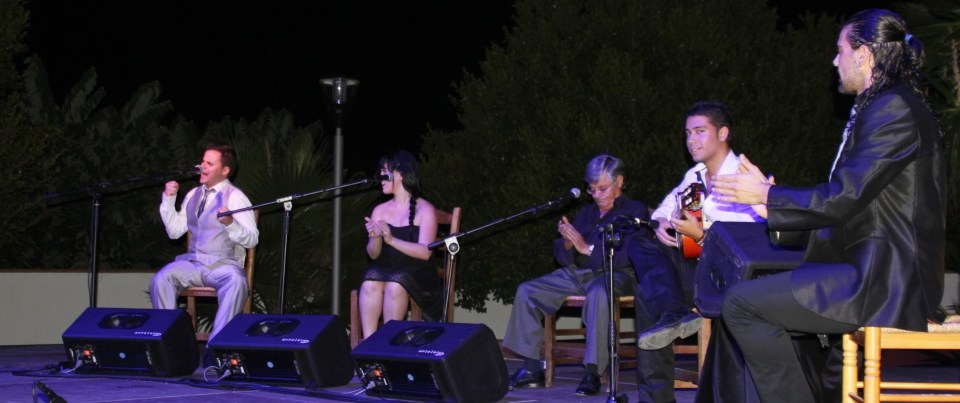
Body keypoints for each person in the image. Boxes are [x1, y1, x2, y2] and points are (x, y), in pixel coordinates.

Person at [712, 9, 945, 402]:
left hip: (882, 278)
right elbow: (854, 202)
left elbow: (844, 196)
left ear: (865, 54)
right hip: (870, 268)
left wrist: (769, 196)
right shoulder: (888, 104)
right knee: (830, 379)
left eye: (840, 51)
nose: (834, 61)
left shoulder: (893, 108)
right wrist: (774, 207)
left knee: (741, 305)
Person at [631, 101, 766, 402]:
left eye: (699, 131)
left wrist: (702, 236)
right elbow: (666, 206)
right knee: (639, 242)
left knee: (646, 293)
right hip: (692, 267)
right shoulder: (694, 175)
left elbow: (747, 247)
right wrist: (662, 223)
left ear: (722, 133)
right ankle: (673, 312)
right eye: (688, 133)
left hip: (726, 277)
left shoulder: (742, 177)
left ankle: (671, 310)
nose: (691, 140)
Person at [503, 154, 646, 397]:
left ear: (619, 181)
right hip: (580, 273)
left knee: (599, 293)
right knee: (528, 291)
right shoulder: (587, 213)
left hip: (617, 273)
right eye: (592, 190)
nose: (597, 195)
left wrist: (584, 247)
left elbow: (627, 255)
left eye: (602, 188)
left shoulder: (635, 210)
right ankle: (532, 369)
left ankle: (593, 373)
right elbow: (562, 254)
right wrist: (567, 244)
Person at [150, 143, 259, 346]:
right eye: (202, 161)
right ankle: (174, 345)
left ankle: (217, 347)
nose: (202, 166)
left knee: (236, 282)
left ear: (225, 170)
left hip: (222, 264)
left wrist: (231, 223)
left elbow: (252, 239)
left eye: (209, 163)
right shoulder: (193, 195)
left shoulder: (236, 197)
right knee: (161, 279)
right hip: (192, 264)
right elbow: (174, 232)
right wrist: (168, 200)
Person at [359, 150, 442, 340]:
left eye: (385, 173)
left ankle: (390, 346)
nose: (381, 178)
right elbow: (373, 255)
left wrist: (391, 240)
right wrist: (375, 238)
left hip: (417, 272)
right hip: (388, 268)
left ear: (400, 174)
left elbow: (425, 253)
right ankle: (369, 347)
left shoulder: (425, 209)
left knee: (395, 285)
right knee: (369, 283)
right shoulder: (379, 210)